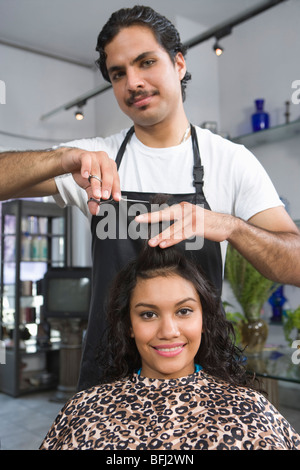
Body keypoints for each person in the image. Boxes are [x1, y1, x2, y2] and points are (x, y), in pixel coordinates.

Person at [0, 6, 299, 391]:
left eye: (146, 62)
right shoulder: (94, 159)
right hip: (107, 384)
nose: (133, 82)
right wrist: (61, 158)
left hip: (200, 384)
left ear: (178, 63)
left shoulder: (230, 161)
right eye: (118, 74)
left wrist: (228, 227)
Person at [40, 244, 300, 450]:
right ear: (129, 325)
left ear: (203, 321)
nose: (168, 332)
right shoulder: (84, 409)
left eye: (184, 311)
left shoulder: (251, 409)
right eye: (148, 315)